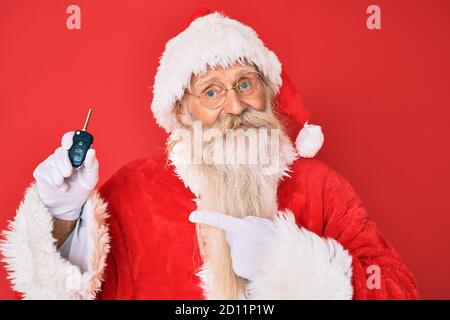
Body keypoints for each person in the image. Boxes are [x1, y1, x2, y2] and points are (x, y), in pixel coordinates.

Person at [0, 8, 419, 300]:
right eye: (212, 91)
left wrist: (293, 264)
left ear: (268, 94)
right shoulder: (133, 190)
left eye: (245, 84)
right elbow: (64, 292)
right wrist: (62, 220)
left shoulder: (321, 187)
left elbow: (401, 291)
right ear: (182, 110)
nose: (235, 107)